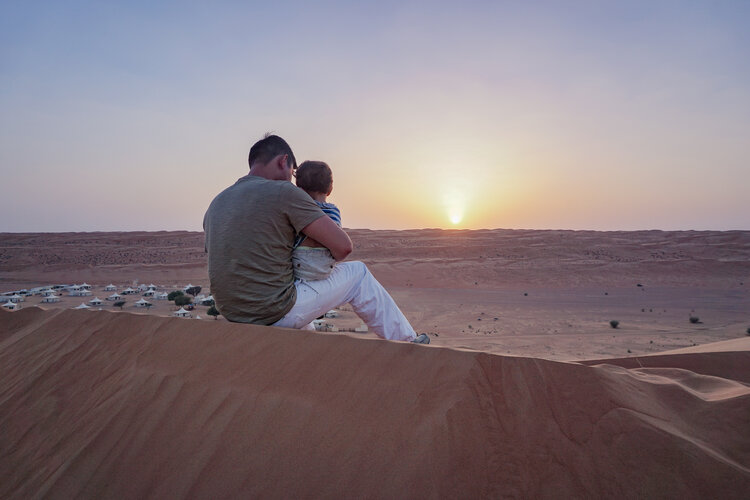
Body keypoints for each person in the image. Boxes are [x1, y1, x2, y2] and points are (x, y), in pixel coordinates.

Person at [203, 134, 429, 344]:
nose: (293, 182)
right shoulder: (283, 191)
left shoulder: (216, 203)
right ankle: (408, 343)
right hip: (272, 311)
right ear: (284, 161)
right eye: (293, 173)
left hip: (233, 313)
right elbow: (343, 248)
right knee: (358, 274)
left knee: (303, 319)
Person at [291, 161, 340, 282]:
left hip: (300, 270)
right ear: (330, 188)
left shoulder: (299, 209)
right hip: (326, 270)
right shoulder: (334, 211)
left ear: (300, 189)